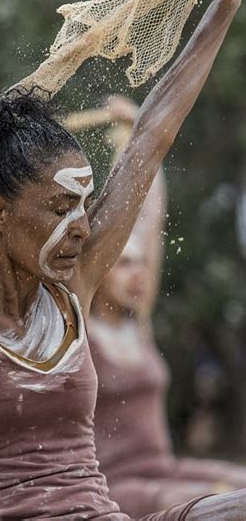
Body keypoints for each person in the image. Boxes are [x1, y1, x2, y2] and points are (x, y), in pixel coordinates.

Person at [0, 0, 245, 519]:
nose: (83, 226)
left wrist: (224, 3)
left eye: (83, 205)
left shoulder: (71, 290)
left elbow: (148, 141)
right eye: (62, 207)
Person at [89, 97, 246, 516]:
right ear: (97, 269)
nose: (137, 273)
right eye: (122, 264)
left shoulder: (137, 325)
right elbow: (123, 226)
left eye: (140, 263)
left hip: (163, 468)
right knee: (221, 502)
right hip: (114, 485)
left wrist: (142, 137)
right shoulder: (79, 334)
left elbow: (149, 220)